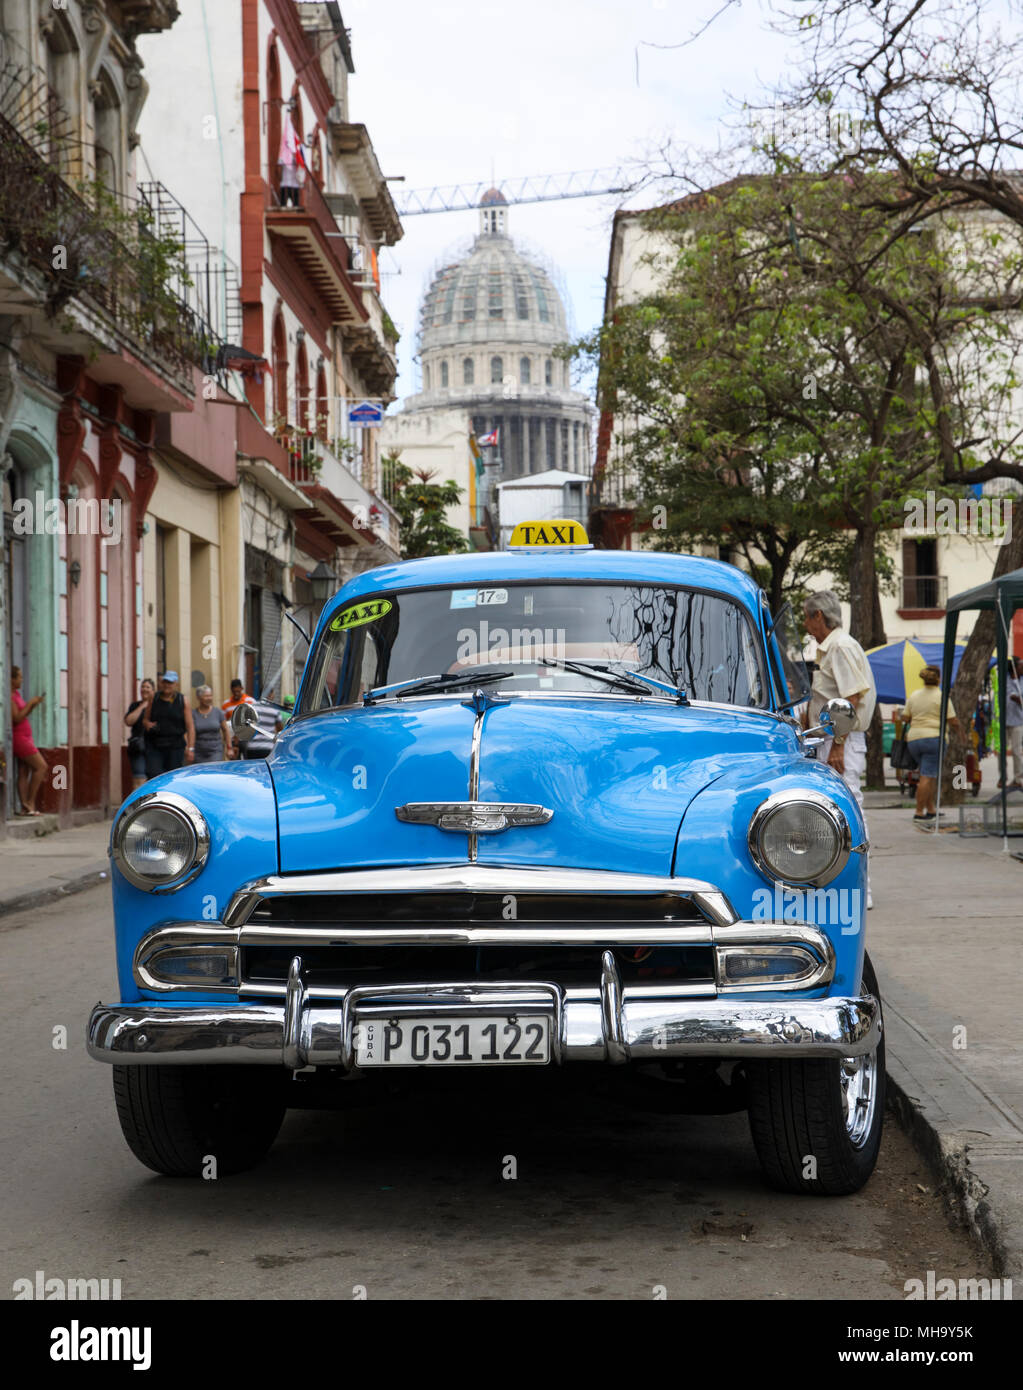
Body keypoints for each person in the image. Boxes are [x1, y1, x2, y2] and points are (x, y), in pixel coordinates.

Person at [803, 591, 877, 908]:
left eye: (806, 617)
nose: (805, 624)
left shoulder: (841, 646)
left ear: (818, 615)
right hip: (830, 738)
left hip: (839, 740)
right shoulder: (833, 646)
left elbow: (852, 699)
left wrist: (838, 743)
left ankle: (863, 887)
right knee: (835, 810)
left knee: (851, 809)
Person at [894, 666, 960, 822]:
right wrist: (961, 733)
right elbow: (952, 720)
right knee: (927, 776)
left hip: (914, 740)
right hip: (934, 739)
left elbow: (904, 717)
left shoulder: (914, 696)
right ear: (938, 678)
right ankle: (918, 812)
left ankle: (930, 809)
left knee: (928, 775)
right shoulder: (942, 697)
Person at [10, 665, 47, 816]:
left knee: (23, 771)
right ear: (12, 679)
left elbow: (23, 713)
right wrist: (30, 703)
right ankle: (30, 802)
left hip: (25, 736)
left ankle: (25, 807)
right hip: (19, 738)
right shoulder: (10, 697)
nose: (21, 679)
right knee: (41, 767)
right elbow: (16, 718)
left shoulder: (16, 694)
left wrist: (33, 705)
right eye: (19, 677)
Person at [143, 671, 194, 778]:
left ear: (176, 684)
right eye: (165, 682)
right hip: (155, 746)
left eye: (170, 683)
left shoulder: (182, 700)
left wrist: (190, 748)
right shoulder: (154, 697)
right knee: (154, 774)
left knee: (173, 776)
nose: (167, 685)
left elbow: (190, 727)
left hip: (175, 746)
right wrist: (147, 724)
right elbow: (145, 719)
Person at [124, 678, 155, 789]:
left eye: (148, 687)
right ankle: (139, 804)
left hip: (155, 748)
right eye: (143, 687)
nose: (144, 689)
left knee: (154, 778)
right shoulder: (135, 706)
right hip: (138, 747)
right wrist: (143, 705)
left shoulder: (158, 705)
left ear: (153, 690)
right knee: (138, 777)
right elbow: (128, 721)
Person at [192, 685, 233, 763]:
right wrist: (189, 749)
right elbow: (189, 733)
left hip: (215, 751)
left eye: (210, 696)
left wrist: (229, 748)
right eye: (206, 696)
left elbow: (226, 730)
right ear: (199, 698)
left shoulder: (218, 712)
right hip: (198, 752)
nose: (209, 698)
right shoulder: (193, 714)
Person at [1005, 656, 1023, 791]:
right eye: (1021, 665)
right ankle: (1003, 777)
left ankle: (1018, 778)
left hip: (1018, 720)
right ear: (1014, 668)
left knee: (1016, 751)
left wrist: (1018, 699)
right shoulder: (1003, 679)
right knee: (1001, 751)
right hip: (1003, 720)